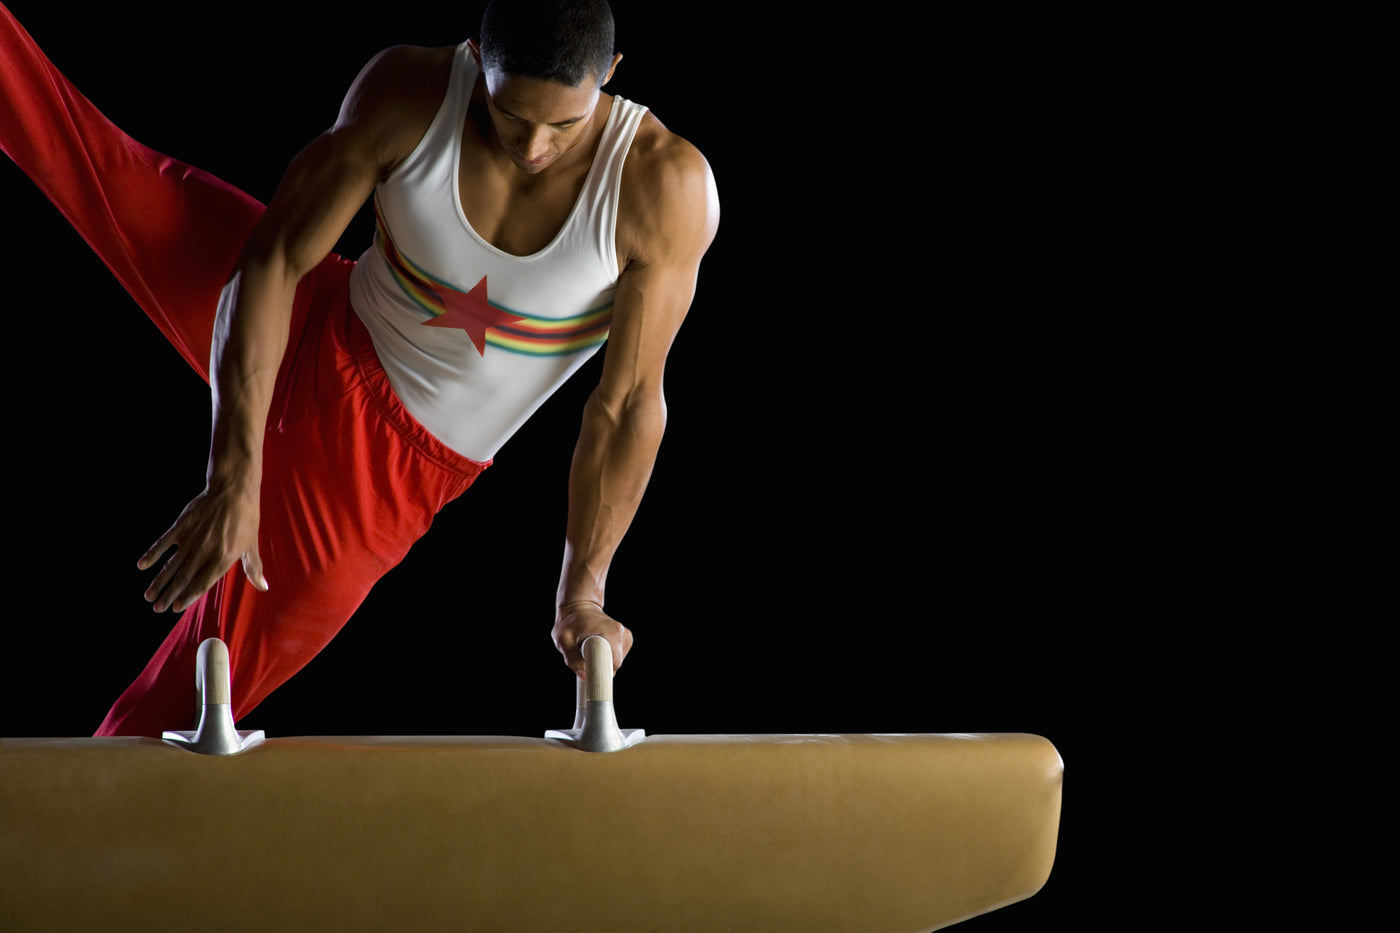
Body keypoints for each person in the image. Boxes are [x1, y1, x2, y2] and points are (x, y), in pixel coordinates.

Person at [0, 0, 719, 736]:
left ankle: (61, 809)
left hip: (375, 477)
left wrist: (582, 594)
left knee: (171, 714)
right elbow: (273, 261)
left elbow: (626, 406)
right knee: (84, 149)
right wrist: (233, 474)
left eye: (564, 125)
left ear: (610, 74)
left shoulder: (661, 187)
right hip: (307, 314)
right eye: (510, 115)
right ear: (477, 57)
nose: (533, 146)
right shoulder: (409, 91)